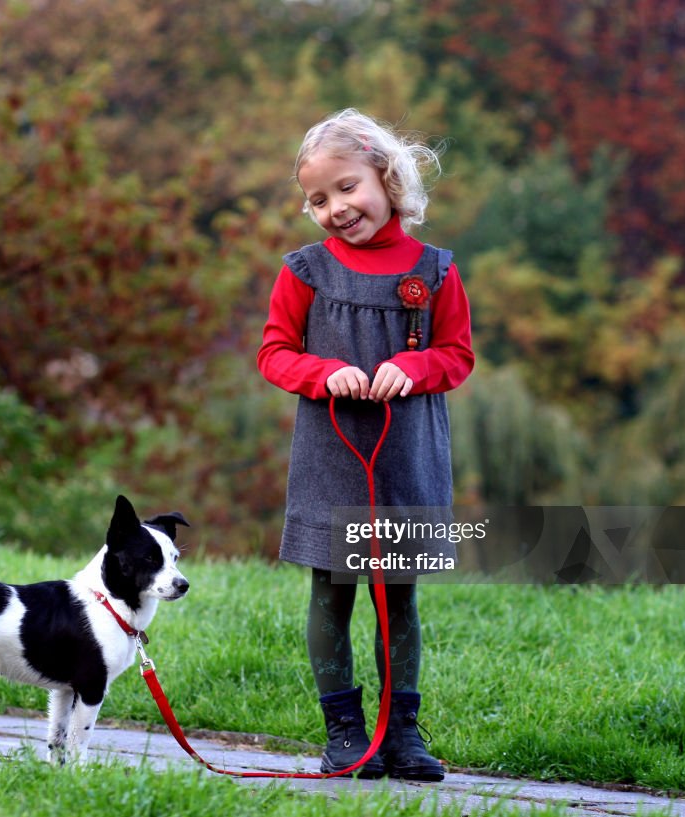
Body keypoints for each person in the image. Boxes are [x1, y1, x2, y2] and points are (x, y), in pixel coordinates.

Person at [257, 109, 474, 780]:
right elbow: (274, 353)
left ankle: (402, 733)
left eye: (346, 188)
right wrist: (323, 372)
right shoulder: (305, 271)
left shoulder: (436, 271)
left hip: (407, 455)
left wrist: (412, 367)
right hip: (332, 455)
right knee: (333, 591)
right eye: (317, 199)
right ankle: (346, 733)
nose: (334, 208)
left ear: (386, 174)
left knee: (398, 593)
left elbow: (456, 356)